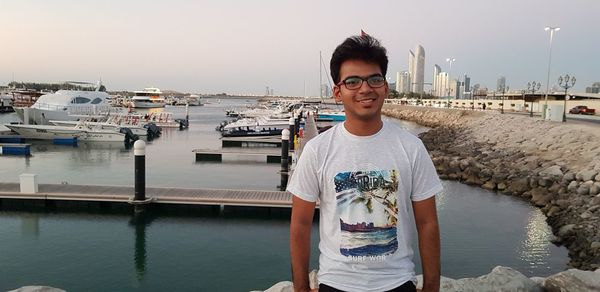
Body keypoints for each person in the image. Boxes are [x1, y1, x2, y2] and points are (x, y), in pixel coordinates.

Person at [288, 34, 442, 292]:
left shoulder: (412, 148)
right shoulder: (317, 150)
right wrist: (301, 288)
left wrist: (432, 287)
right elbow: (300, 224)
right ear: (338, 92)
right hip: (336, 283)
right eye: (353, 81)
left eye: (374, 78)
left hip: (398, 283)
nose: (365, 88)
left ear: (385, 87)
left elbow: (427, 223)